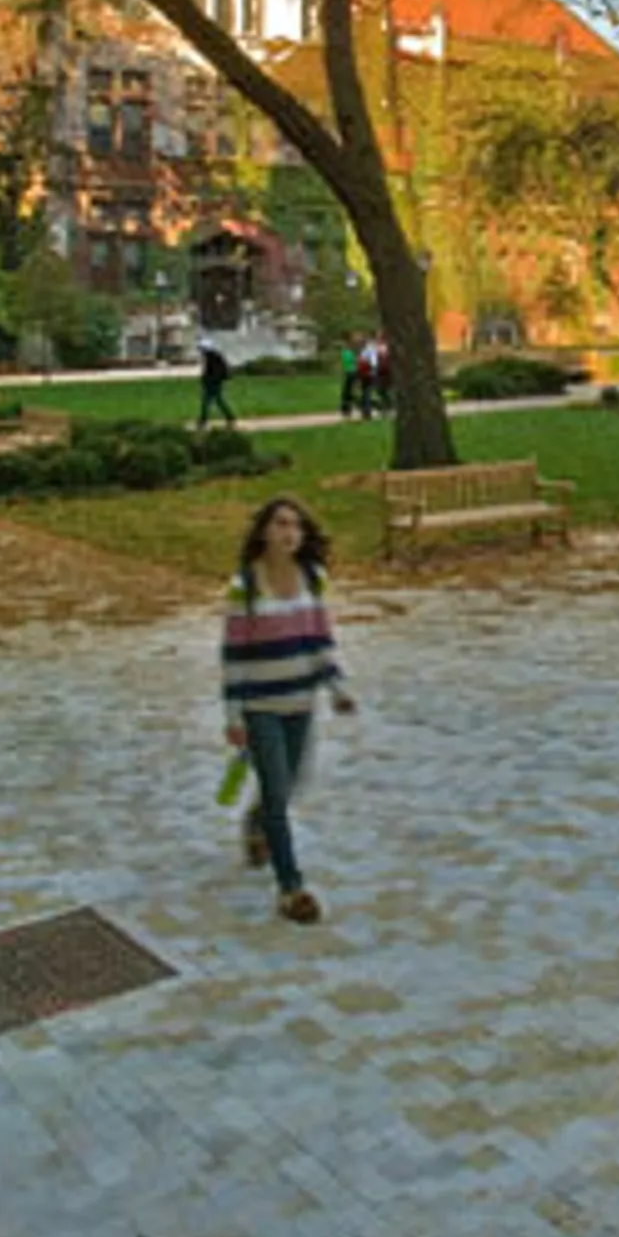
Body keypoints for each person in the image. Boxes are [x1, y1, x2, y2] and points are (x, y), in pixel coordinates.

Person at [221, 494, 358, 924]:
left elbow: (320, 641)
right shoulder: (244, 586)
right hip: (261, 706)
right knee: (278, 794)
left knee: (290, 785)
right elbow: (233, 655)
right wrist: (233, 716)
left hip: (302, 702)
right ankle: (291, 887)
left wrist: (337, 688)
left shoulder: (313, 579)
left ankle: (256, 823)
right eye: (281, 523)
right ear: (264, 530)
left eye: (296, 525)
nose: (289, 532)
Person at [196, 336, 237, 428]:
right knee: (217, 401)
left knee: (208, 401)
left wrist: (207, 380)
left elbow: (213, 372)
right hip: (214, 382)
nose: (201, 352)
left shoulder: (212, 358)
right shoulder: (214, 357)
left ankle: (203, 420)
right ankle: (229, 418)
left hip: (213, 383)